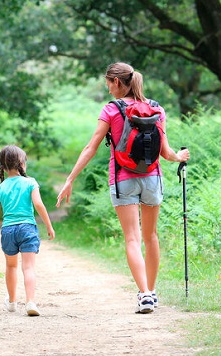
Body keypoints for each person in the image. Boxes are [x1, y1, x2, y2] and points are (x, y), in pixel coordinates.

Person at [56, 62, 190, 314]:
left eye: (108, 83)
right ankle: (151, 292)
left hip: (123, 179)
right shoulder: (157, 109)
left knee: (132, 238)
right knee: (151, 237)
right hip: (152, 179)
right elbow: (165, 152)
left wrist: (70, 178)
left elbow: (91, 147)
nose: (108, 90)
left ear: (117, 82)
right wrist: (180, 156)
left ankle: (145, 294)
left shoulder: (111, 110)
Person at [0, 145, 55, 317]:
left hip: (8, 230)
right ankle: (30, 301)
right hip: (27, 228)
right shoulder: (30, 183)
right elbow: (38, 204)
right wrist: (48, 225)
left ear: (3, 166)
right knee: (28, 267)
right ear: (22, 163)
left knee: (11, 266)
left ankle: (12, 302)